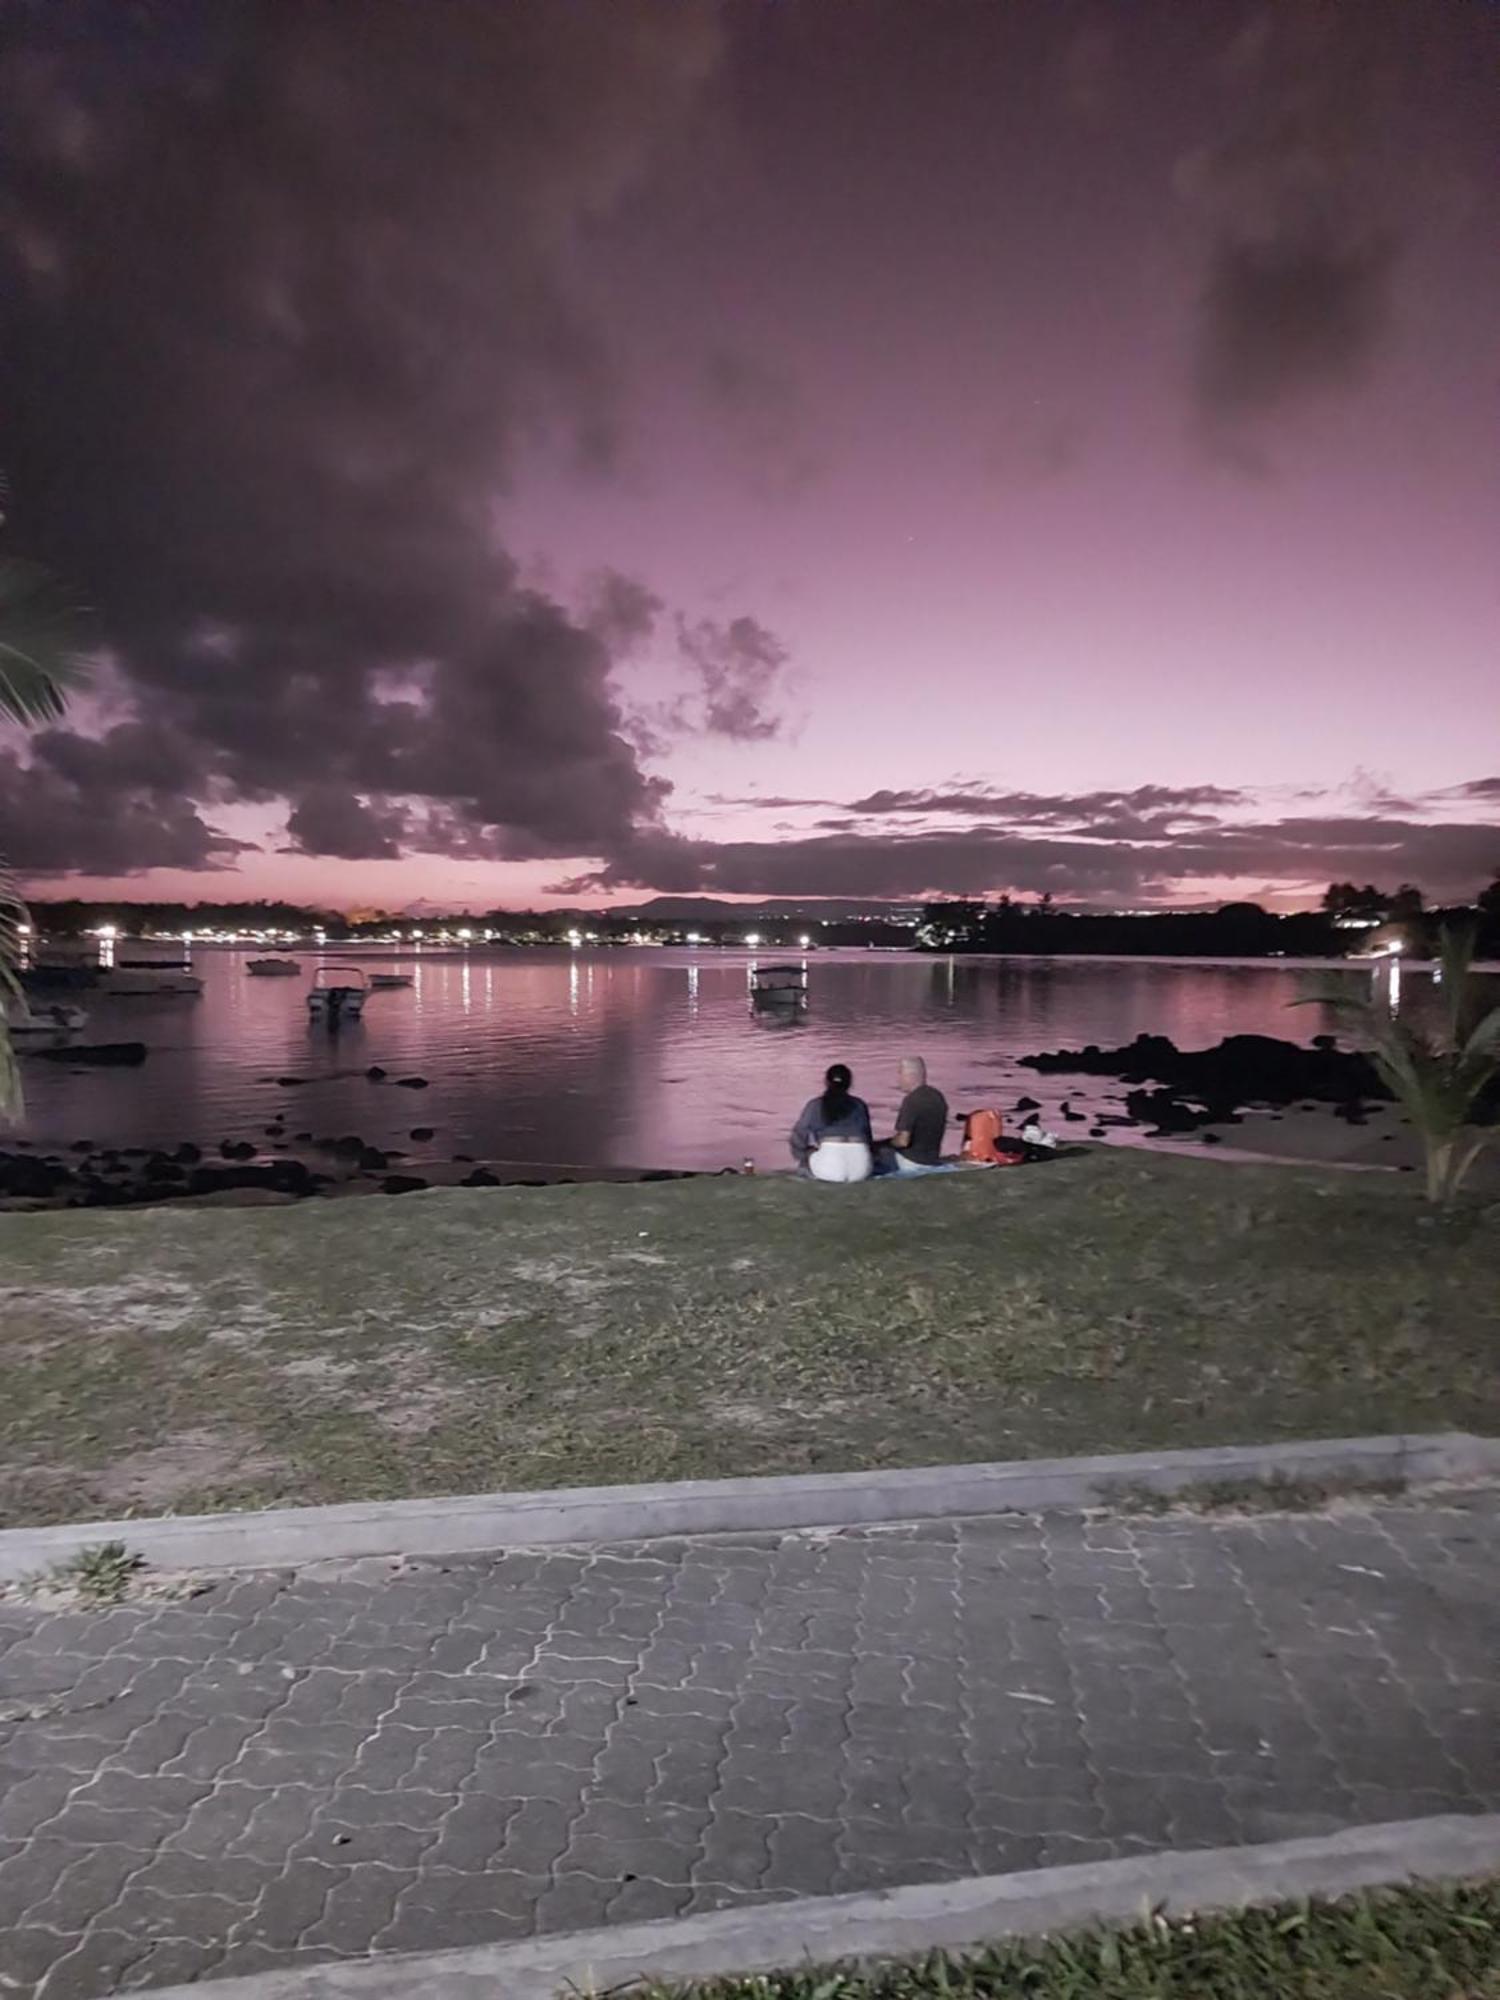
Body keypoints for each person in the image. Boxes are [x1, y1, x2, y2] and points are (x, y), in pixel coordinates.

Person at [790, 1062, 875, 1181]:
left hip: (830, 1165)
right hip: (860, 1168)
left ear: (826, 1082)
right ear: (849, 1083)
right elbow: (868, 1137)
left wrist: (802, 1154)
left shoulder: (815, 1105)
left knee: (808, 1157)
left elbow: (799, 1134)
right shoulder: (860, 1105)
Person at [886, 1055, 948, 1173]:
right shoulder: (938, 1096)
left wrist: (888, 1143)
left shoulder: (911, 1100)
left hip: (911, 1161)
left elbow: (903, 1141)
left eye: (900, 1073)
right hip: (932, 1160)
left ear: (910, 1075)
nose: (898, 1079)